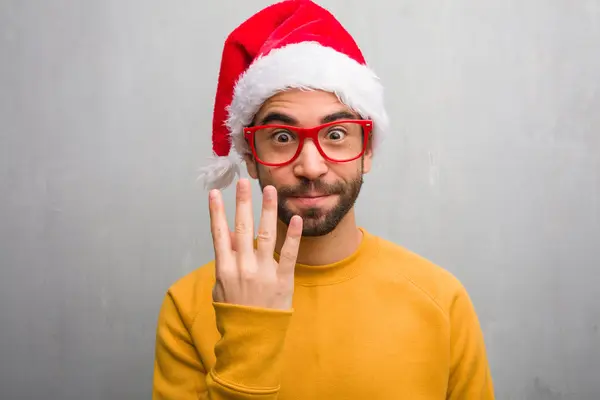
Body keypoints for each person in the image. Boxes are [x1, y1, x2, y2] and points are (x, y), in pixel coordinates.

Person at [152, 0, 495, 399]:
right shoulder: (189, 305)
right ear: (249, 156)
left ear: (367, 149)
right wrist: (248, 333)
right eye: (282, 137)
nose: (311, 167)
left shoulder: (441, 301)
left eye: (335, 135)